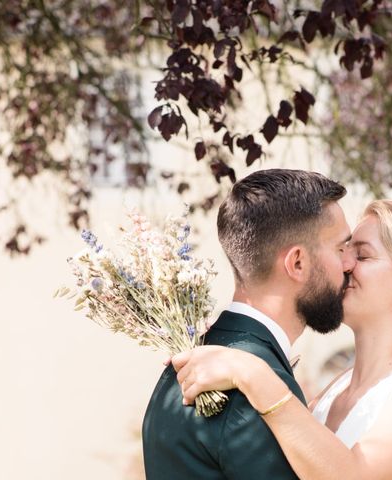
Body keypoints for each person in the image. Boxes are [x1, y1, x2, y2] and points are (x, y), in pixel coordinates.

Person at [173, 199, 392, 480]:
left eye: (362, 255)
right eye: (344, 251)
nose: (344, 265)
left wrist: (251, 373)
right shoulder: (333, 391)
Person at [142, 169, 356, 479]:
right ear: (297, 263)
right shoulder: (249, 390)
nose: (349, 263)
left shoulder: (195, 359)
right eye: (340, 248)